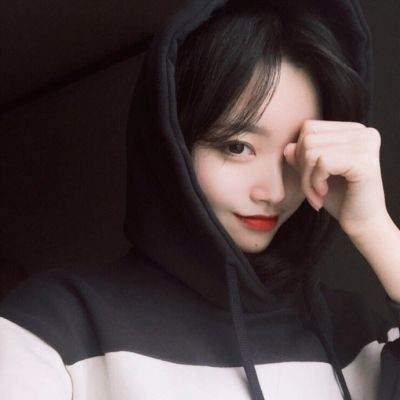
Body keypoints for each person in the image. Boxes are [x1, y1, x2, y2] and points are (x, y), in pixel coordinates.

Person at [0, 0, 399, 399]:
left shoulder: (360, 333)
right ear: (172, 143)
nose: (275, 192)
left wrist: (376, 229)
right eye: (238, 147)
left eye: (297, 154)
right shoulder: (52, 326)